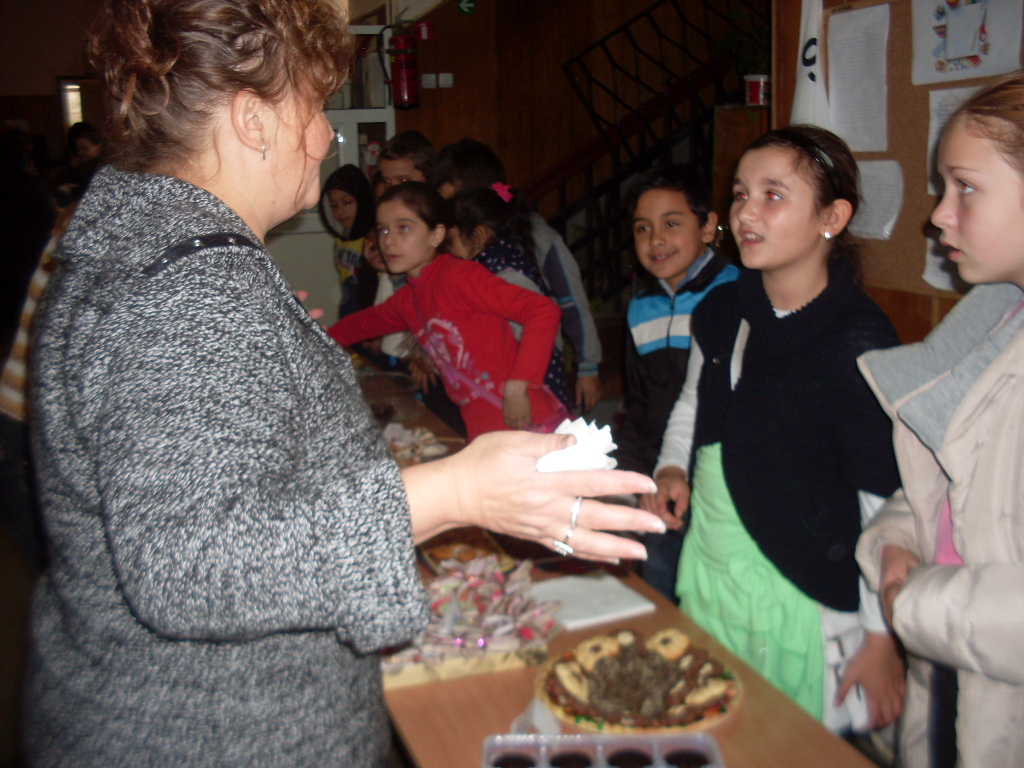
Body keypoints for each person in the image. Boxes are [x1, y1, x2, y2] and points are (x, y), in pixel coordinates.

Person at [23, 1, 667, 765]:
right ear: (253, 120)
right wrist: (458, 490)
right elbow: (194, 563)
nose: (327, 135)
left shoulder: (157, 257)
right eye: (314, 105)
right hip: (217, 737)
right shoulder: (187, 284)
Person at [643, 126, 906, 732]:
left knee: (787, 738)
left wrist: (880, 636)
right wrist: (672, 466)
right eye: (740, 194)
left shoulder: (857, 338)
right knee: (710, 725)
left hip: (804, 586)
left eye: (773, 195)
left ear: (831, 217)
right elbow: (695, 401)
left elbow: (880, 500)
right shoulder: (722, 309)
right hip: (714, 563)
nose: (746, 213)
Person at [857, 72, 1024, 768]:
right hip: (952, 683)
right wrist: (896, 537)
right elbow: (962, 478)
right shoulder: (997, 319)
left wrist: (913, 605)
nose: (938, 217)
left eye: (966, 188)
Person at [330, 182, 569, 440]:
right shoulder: (409, 298)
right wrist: (317, 338)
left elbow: (543, 310)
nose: (388, 241)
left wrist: (519, 385)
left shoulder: (459, 277)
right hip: (483, 430)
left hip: (526, 420)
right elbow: (363, 324)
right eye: (383, 230)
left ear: (436, 235)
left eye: (404, 228)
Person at [614, 165, 739, 603]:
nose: (656, 240)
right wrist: (632, 478)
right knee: (658, 585)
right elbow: (638, 404)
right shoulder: (640, 309)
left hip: (718, 483)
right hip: (659, 480)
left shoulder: (736, 295)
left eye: (671, 224)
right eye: (642, 228)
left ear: (707, 227)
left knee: (712, 596)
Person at [433, 138, 604, 412]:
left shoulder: (535, 237)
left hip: (532, 376)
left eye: (455, 202)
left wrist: (588, 366)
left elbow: (572, 302)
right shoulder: (459, 242)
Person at [448, 181, 573, 412]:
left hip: (530, 394)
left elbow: (525, 343)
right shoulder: (493, 264)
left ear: (480, 235)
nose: (447, 250)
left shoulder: (507, 275)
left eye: (451, 241)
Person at [319, 163, 376, 318]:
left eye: (348, 202)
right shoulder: (341, 240)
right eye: (334, 205)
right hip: (349, 306)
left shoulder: (373, 239)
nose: (340, 211)